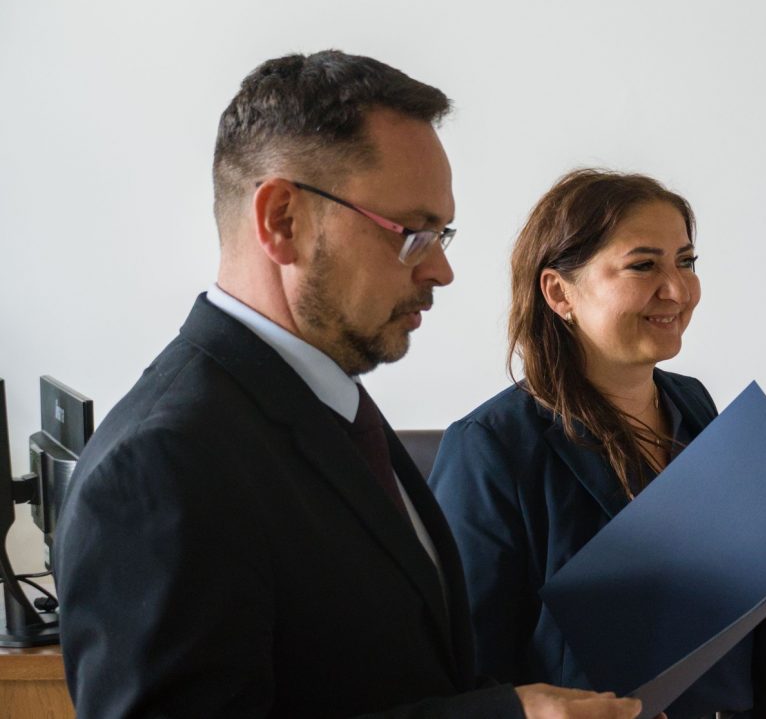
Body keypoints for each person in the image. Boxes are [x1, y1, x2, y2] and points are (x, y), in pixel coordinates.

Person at [53, 50, 643, 719]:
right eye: (413, 233)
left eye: (441, 232)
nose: (441, 269)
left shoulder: (328, 402)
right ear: (283, 220)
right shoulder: (159, 466)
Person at [428, 169, 766, 719]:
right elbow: (471, 671)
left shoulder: (693, 405)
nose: (677, 289)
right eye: (643, 265)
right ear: (560, 292)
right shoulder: (490, 447)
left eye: (686, 261)